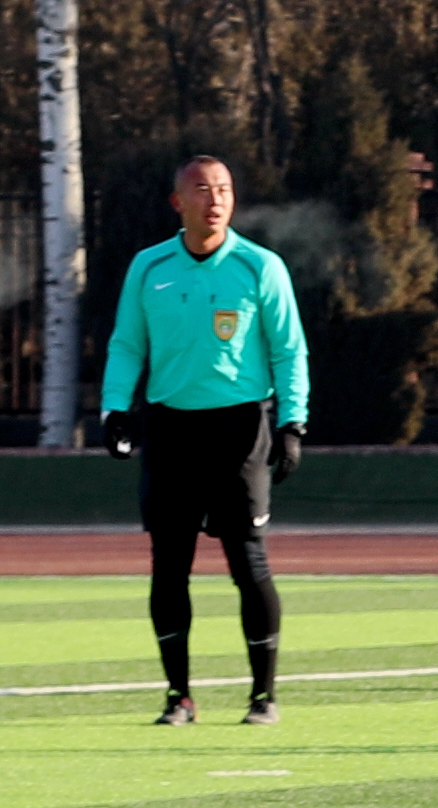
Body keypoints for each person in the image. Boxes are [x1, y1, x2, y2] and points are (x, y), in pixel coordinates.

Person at [99, 155, 309, 726]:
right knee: (169, 565)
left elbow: (290, 350)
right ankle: (178, 696)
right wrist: (115, 408)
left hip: (241, 429)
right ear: (178, 203)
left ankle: (263, 697)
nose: (214, 199)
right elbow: (127, 345)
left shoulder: (259, 266)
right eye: (201, 189)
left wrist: (293, 424)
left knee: (247, 560)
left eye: (223, 189)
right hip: (171, 429)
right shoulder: (149, 267)